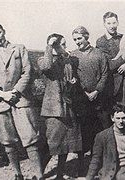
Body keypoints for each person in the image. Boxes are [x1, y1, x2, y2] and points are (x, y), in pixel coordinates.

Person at [0, 22, 43, 180]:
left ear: (4, 31)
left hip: (20, 100)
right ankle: (17, 174)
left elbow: (27, 72)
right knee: (8, 141)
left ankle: (38, 174)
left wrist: (15, 91)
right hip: (1, 103)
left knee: (30, 139)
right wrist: (2, 94)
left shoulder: (19, 48)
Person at [37, 33, 82, 179]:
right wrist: (50, 46)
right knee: (51, 145)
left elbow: (68, 83)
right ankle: (38, 173)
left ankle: (60, 174)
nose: (66, 48)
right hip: (53, 110)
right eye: (63, 44)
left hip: (68, 107)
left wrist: (72, 84)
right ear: (55, 46)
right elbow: (47, 66)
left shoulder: (67, 62)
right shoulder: (43, 59)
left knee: (66, 144)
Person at [70, 26, 108, 173]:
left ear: (87, 37)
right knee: (84, 132)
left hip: (99, 100)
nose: (77, 42)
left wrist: (97, 90)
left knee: (100, 131)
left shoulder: (99, 54)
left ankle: (100, 163)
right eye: (75, 40)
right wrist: (84, 93)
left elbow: (105, 74)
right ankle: (82, 166)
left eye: (79, 38)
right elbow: (73, 77)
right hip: (83, 100)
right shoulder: (73, 56)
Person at [96, 11, 125, 134]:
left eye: (114, 22)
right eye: (109, 23)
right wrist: (124, 57)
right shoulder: (101, 42)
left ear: (118, 23)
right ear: (104, 24)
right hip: (111, 85)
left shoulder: (124, 37)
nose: (112, 26)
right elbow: (108, 65)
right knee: (114, 116)